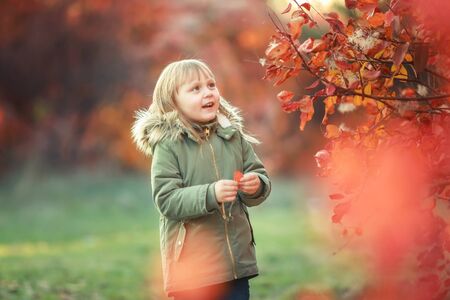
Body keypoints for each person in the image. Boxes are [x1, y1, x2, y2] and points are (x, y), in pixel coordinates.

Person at [131, 59, 271, 300]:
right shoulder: (168, 144)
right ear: (172, 101)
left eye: (211, 85)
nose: (208, 92)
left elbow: (258, 174)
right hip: (193, 271)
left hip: (235, 264)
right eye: (195, 89)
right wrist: (210, 194)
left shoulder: (232, 136)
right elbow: (166, 200)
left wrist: (256, 184)